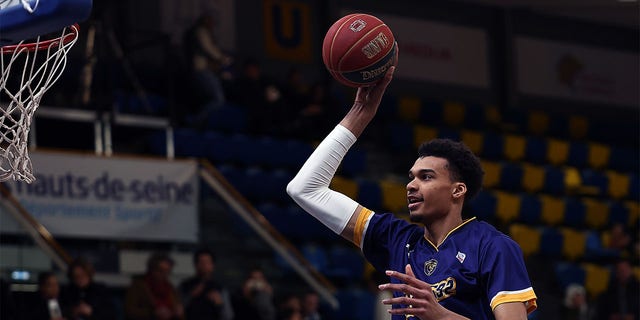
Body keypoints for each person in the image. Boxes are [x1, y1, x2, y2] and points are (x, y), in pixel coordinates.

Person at [286, 64, 538, 319]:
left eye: (426, 177)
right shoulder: (397, 239)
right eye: (411, 177)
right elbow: (305, 189)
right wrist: (360, 112)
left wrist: (440, 315)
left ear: (458, 190)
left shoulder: (492, 246)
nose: (411, 185)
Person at [183, 13, 233, 129]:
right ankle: (195, 122)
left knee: (210, 99)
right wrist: (222, 58)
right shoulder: (200, 31)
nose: (211, 24)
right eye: (209, 21)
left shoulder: (203, 33)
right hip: (200, 70)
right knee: (218, 99)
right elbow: (208, 49)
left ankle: (200, 123)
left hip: (203, 71)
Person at [124, 252, 184, 320]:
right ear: (152, 270)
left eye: (167, 271)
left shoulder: (170, 288)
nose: (164, 275)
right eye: (160, 271)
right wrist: (153, 313)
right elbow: (130, 310)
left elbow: (178, 308)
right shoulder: (139, 286)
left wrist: (179, 311)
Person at [178, 248, 233, 320]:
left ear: (212, 266)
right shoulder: (185, 286)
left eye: (207, 262)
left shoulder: (219, 288)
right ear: (196, 265)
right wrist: (191, 296)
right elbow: (177, 309)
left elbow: (228, 316)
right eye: (201, 262)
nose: (204, 266)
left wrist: (219, 304)